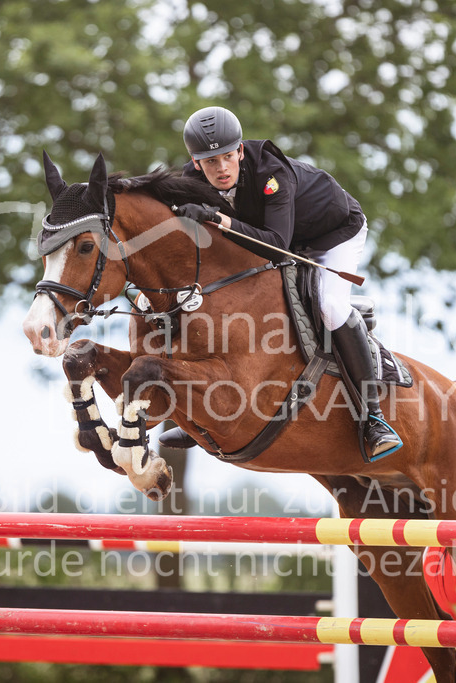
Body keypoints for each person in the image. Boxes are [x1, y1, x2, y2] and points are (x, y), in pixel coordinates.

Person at [161, 105, 401, 459]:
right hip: (287, 240)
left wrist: (216, 219)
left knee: (330, 307)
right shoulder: (191, 180)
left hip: (333, 234)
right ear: (196, 163)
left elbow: (275, 246)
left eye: (228, 157)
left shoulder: (271, 174)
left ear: (240, 151)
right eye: (211, 162)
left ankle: (373, 419)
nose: (222, 168)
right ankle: (196, 413)